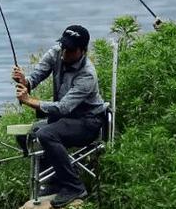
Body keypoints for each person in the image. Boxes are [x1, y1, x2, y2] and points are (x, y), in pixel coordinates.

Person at [11, 25, 108, 207]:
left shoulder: (87, 74)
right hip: (65, 120)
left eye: (71, 50)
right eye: (63, 46)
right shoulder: (56, 53)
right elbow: (35, 78)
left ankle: (74, 187)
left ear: (83, 51)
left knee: (47, 134)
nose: (65, 52)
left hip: (88, 122)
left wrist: (28, 100)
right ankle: (56, 181)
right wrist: (24, 81)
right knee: (29, 134)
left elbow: (63, 108)